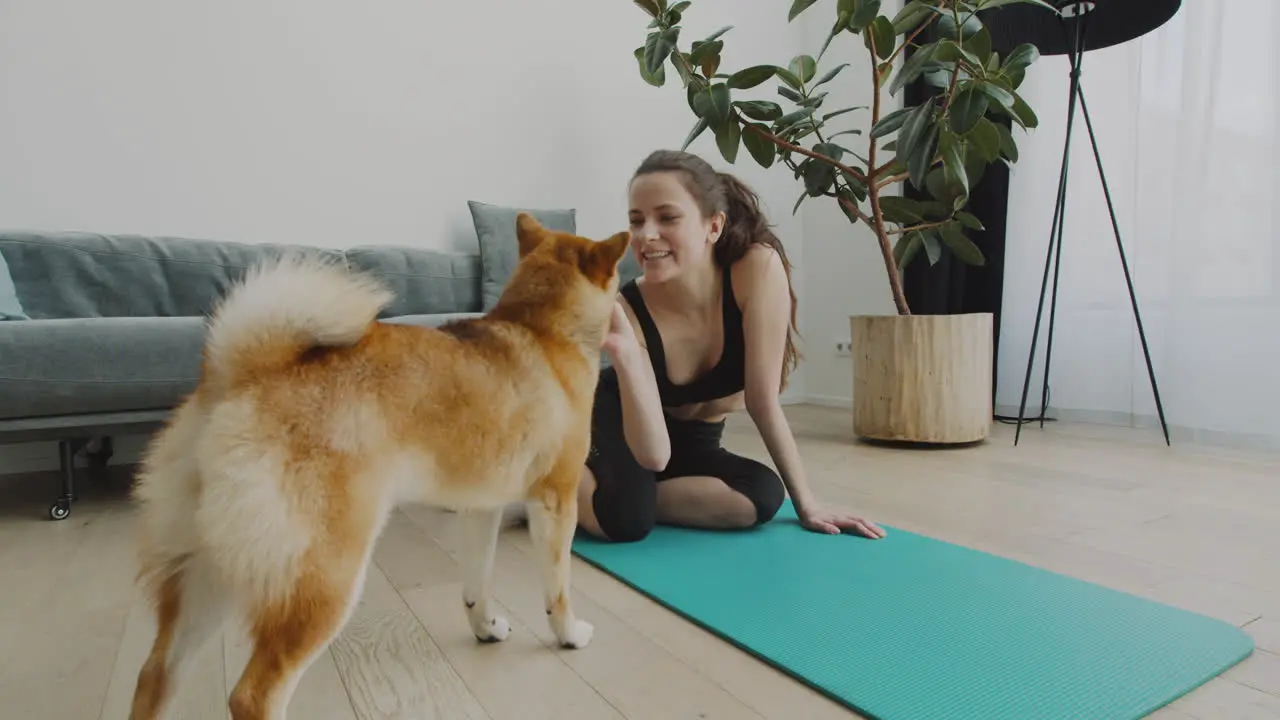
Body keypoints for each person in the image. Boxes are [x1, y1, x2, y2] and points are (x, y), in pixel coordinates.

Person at [577, 149, 886, 543]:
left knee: (761, 496)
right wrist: (621, 352)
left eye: (667, 217)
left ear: (713, 225)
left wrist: (808, 504)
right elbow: (654, 455)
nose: (646, 235)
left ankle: (622, 496)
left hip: (693, 444)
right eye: (636, 221)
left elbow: (762, 401)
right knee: (625, 525)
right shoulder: (628, 308)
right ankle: (560, 479)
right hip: (623, 427)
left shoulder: (756, 269)